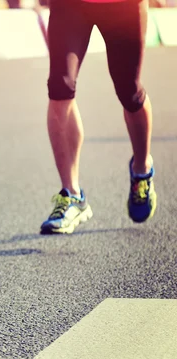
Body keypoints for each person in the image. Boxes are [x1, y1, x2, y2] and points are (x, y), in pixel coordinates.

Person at [40, 0, 157, 235]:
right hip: (70, 5)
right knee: (60, 87)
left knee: (129, 92)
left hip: (124, 6)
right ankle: (71, 194)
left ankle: (142, 169)